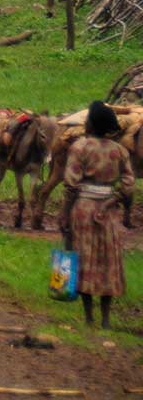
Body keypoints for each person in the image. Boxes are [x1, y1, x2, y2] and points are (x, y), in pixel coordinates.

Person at [61, 101, 134, 329]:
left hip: (83, 209)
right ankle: (105, 319)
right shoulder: (119, 150)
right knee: (108, 261)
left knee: (84, 257)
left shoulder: (79, 148)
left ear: (92, 123)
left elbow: (71, 185)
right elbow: (129, 183)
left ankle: (89, 317)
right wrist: (112, 200)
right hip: (108, 211)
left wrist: (64, 213)